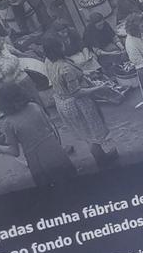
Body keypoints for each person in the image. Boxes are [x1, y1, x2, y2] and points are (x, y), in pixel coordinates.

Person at [41, 32, 116, 169]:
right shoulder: (66, 68)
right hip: (77, 104)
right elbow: (77, 92)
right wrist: (98, 88)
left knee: (86, 133)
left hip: (62, 102)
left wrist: (84, 74)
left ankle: (101, 159)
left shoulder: (48, 61)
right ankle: (102, 161)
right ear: (59, 47)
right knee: (92, 134)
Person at [0, 80, 76, 189]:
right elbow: (50, 128)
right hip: (55, 149)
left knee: (52, 190)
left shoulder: (8, 122)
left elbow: (14, 152)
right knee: (71, 181)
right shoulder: (34, 106)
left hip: (37, 159)